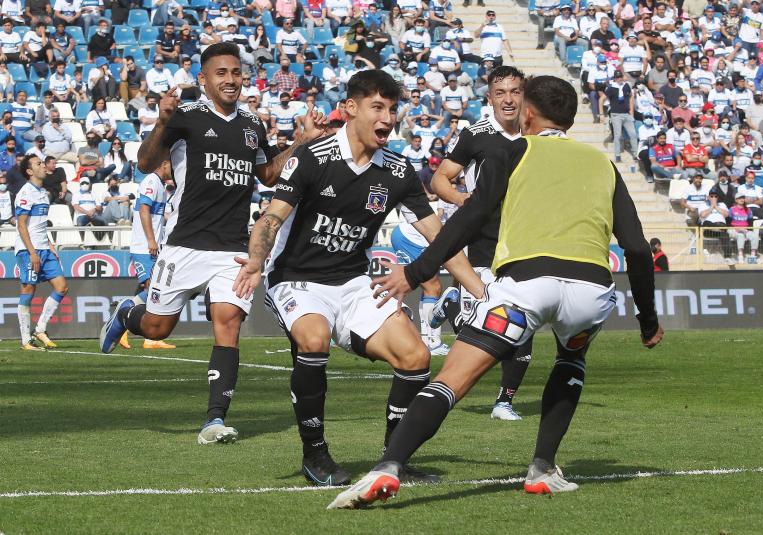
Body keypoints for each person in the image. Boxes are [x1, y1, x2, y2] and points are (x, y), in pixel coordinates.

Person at [328, 75, 662, 509]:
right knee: (570, 360)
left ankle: (388, 467)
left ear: (527, 113)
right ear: (571, 118)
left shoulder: (513, 150)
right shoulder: (603, 164)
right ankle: (543, 468)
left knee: (453, 380)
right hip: (590, 291)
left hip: (524, 286)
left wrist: (416, 272)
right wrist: (648, 321)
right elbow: (636, 247)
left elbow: (470, 218)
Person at [231, 69, 484, 487]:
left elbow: (440, 239)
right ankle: (315, 454)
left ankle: (393, 457)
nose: (388, 117)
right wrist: (256, 261)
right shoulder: (312, 156)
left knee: (416, 357)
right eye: (377, 107)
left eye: (392, 108)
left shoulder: (399, 171)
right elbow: (271, 217)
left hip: (353, 281)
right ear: (351, 109)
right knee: (312, 340)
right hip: (296, 278)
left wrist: (481, 292)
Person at [99, 42, 327, 446]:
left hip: (232, 249)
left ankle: (214, 420)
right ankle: (128, 314)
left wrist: (302, 140)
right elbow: (146, 163)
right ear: (204, 80)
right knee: (157, 325)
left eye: (236, 72)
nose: (231, 80)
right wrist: (161, 123)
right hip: (184, 244)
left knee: (229, 323)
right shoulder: (185, 117)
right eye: (221, 73)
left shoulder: (253, 125)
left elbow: (270, 175)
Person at [429, 66, 533, 421]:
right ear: (490, 98)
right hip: (486, 244)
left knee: (524, 324)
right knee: (491, 329)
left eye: (515, 92)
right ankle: (456, 305)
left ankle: (504, 402)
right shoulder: (476, 135)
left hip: (526, 241)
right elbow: (441, 179)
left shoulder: (537, 135)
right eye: (501, 92)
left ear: (524, 95)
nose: (508, 99)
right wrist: (466, 202)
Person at [119, 160, 177, 351]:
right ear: (164, 163)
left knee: (153, 289)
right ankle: (123, 317)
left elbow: (156, 216)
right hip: (143, 246)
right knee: (152, 288)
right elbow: (144, 210)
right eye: (172, 165)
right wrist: (151, 240)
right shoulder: (151, 181)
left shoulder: (160, 184)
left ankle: (143, 333)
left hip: (152, 246)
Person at [14, 155, 69, 350]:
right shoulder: (25, 193)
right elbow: (21, 225)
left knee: (62, 287)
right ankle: (25, 340)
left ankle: (40, 329)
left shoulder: (43, 193)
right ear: (29, 171)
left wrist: (50, 244)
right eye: (38, 164)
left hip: (44, 247)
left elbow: (40, 225)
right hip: (29, 249)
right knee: (28, 289)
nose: (43, 165)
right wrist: (32, 252)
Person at [606, 70, 638, 163]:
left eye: (620, 77)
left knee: (633, 134)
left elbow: (631, 97)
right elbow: (604, 98)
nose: (619, 79)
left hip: (626, 113)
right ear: (615, 78)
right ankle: (617, 154)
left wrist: (631, 111)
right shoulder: (611, 88)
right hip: (616, 114)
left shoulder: (626, 86)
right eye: (617, 77)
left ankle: (635, 154)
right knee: (617, 135)